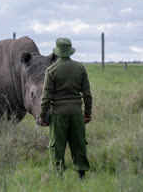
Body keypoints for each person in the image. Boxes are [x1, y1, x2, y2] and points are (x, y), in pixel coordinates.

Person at [38, 38, 92, 179]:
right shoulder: (80, 68)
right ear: (70, 51)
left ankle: (59, 174)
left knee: (57, 146)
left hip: (58, 114)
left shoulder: (51, 70)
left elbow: (46, 97)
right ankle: (81, 175)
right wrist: (87, 114)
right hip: (76, 114)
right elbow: (87, 95)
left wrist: (42, 116)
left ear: (57, 52)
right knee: (79, 144)